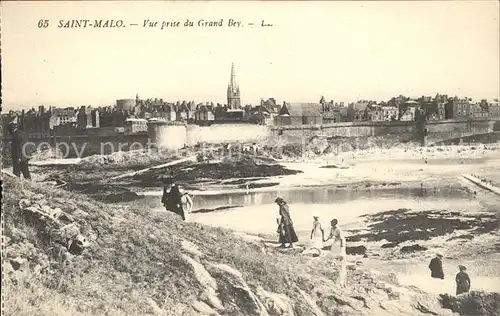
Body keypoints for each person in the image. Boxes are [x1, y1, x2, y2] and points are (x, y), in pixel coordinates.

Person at [324, 218, 347, 286]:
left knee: (338, 253)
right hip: (336, 241)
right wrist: (325, 240)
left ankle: (339, 259)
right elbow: (330, 235)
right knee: (333, 251)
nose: (330, 223)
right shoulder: (332, 228)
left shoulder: (338, 229)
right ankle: (335, 262)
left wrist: (342, 247)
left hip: (340, 242)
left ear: (334, 223)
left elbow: (342, 238)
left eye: (332, 222)